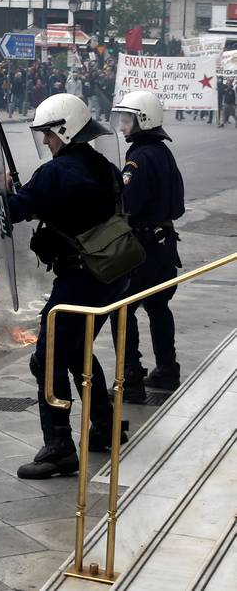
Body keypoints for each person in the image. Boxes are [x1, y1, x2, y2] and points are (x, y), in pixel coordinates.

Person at [7, 94, 129, 480]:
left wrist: (6, 188)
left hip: (79, 276)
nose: (46, 142)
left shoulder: (55, 173)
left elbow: (14, 210)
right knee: (76, 349)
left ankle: (59, 447)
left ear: (64, 130)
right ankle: (106, 424)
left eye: (48, 134)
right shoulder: (104, 166)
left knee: (47, 357)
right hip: (111, 271)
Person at [109, 91, 185, 399]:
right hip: (164, 246)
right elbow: (177, 204)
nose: (123, 127)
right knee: (158, 307)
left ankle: (131, 378)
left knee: (121, 310)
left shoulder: (139, 158)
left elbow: (128, 204)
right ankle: (167, 369)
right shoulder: (164, 153)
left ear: (143, 121)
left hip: (141, 249)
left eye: (127, 120)